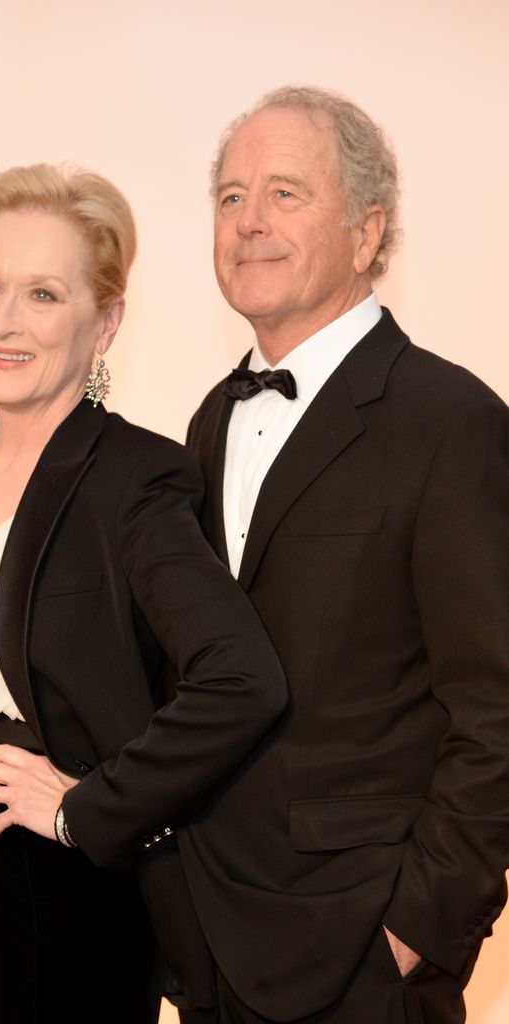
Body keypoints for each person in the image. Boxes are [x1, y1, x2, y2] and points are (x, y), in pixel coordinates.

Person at [0, 163, 287, 1024]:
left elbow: (242, 680)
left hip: (41, 884)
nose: (4, 320)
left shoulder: (135, 477)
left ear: (104, 322)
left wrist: (88, 807)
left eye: (43, 294)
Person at [179, 86, 509, 1024]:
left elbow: (497, 710)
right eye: (231, 195)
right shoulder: (210, 420)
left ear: (367, 234)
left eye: (285, 192)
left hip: (363, 952)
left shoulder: (453, 423)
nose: (248, 221)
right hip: (213, 944)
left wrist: (413, 931)